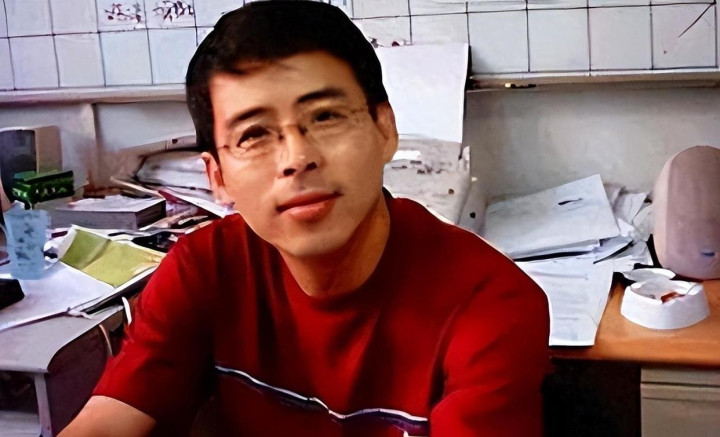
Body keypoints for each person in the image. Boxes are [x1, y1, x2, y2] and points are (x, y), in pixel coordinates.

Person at [59, 2, 549, 436]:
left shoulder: (489, 304)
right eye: (254, 135)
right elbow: (111, 417)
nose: (297, 158)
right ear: (218, 176)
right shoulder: (205, 268)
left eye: (326, 117)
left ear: (385, 129)